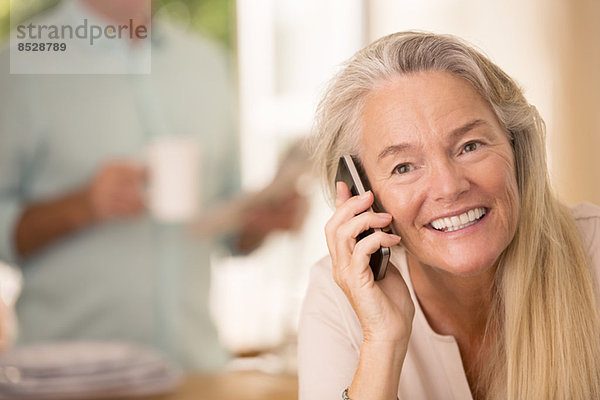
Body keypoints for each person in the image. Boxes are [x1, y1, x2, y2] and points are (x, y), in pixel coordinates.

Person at [0, 0, 305, 370]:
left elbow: (228, 234)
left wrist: (258, 222)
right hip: (67, 380)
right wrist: (83, 206)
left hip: (195, 373)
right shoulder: (19, 64)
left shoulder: (206, 63)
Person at [298, 31, 600, 400]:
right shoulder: (338, 298)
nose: (448, 187)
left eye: (469, 146)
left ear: (516, 148)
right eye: (404, 167)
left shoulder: (593, 254)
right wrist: (383, 343)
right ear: (364, 197)